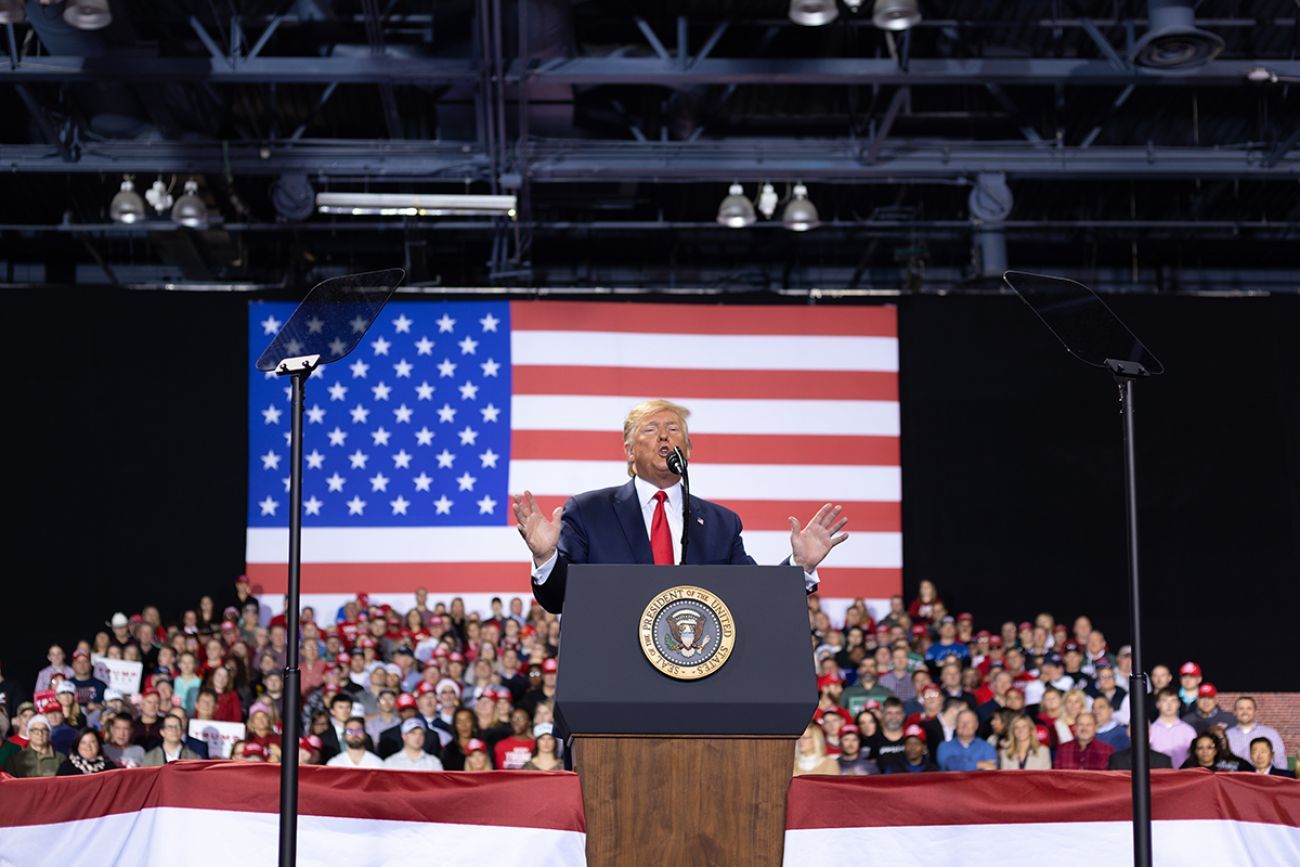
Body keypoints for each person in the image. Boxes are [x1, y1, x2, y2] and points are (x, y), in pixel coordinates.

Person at [512, 399, 849, 613]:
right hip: (613, 681)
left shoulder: (721, 523)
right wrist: (545, 558)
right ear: (629, 450)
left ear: (688, 448)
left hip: (696, 688)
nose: (664, 437)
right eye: (651, 429)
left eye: (673, 430)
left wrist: (798, 567)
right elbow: (559, 599)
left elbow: (751, 598)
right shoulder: (589, 511)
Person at [1225, 696, 1287, 770]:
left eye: (1249, 708)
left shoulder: (1271, 734)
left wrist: (1281, 779)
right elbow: (1223, 761)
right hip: (1235, 779)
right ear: (1235, 712)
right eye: (1241, 708)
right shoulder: (1227, 735)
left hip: (1264, 779)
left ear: (1255, 711)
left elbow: (1280, 761)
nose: (1245, 712)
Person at [1148, 688, 1197, 768]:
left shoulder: (1189, 731)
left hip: (1182, 776)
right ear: (1158, 704)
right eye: (1164, 701)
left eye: (1173, 701)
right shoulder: (1150, 730)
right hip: (1157, 775)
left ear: (1178, 704)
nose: (1169, 705)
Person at [1179, 733, 1247, 772]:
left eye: (1209, 747)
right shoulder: (1187, 768)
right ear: (1195, 751)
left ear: (1215, 751)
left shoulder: (1226, 769)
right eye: (1200, 748)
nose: (1205, 751)